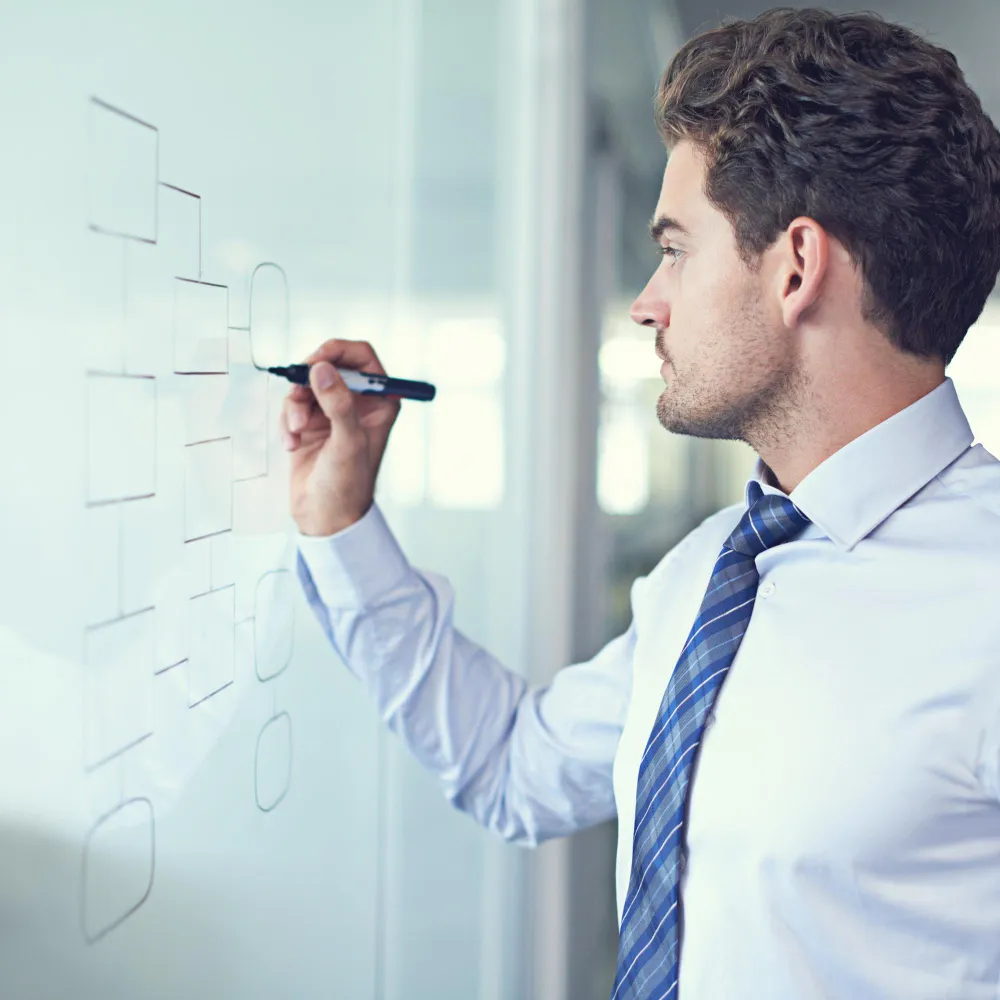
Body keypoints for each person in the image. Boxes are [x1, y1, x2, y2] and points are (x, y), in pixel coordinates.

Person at [280, 7, 1000, 998]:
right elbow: (513, 767)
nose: (646, 301)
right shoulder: (708, 575)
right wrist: (343, 522)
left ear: (796, 266)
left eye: (676, 248)